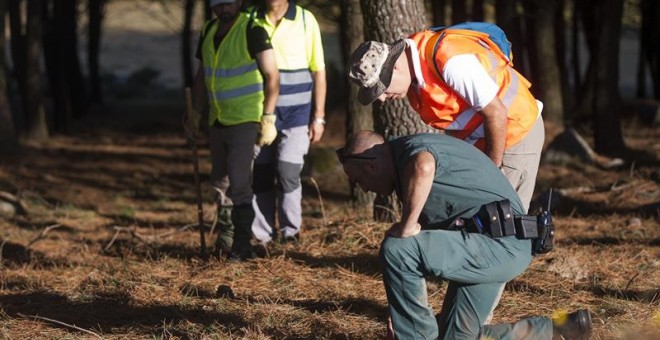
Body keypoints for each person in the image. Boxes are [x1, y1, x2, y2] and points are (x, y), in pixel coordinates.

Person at [336, 130, 592, 340]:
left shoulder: (409, 153)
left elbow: (424, 166)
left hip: (498, 243)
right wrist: (406, 313)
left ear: (371, 166)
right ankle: (557, 330)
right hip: (502, 245)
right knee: (454, 337)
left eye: (359, 180)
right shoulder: (409, 154)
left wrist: (407, 224)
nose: (365, 189)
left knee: (397, 248)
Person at [346, 27, 544, 214]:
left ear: (396, 67)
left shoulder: (450, 61)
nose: (381, 98)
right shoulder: (415, 76)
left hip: (515, 132)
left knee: (504, 218)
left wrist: (491, 175)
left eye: (382, 88)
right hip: (485, 140)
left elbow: (497, 114)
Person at [183, 0, 279, 260]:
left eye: (229, 1)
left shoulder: (253, 30)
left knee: (239, 184)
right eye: (218, 3)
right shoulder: (208, 31)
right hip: (217, 119)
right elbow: (202, 76)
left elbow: (272, 75)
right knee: (220, 182)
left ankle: (242, 245)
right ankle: (225, 241)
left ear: (239, 2)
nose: (223, 7)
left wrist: (268, 117)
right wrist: (195, 114)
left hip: (245, 119)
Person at [247, 0, 327, 243]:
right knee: (260, 174)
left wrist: (319, 117)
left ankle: (291, 233)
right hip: (258, 113)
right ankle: (262, 237)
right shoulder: (249, 18)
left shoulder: (305, 19)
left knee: (287, 172)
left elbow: (319, 70)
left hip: (297, 115)